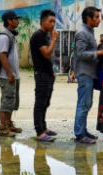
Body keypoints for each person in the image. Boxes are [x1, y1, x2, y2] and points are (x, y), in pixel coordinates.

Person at [73, 6, 103, 144]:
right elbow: (80, 54)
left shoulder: (89, 32)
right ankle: (79, 134)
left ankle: (83, 130)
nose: (99, 19)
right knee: (83, 104)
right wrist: (99, 53)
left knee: (87, 103)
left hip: (89, 73)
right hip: (84, 73)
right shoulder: (82, 33)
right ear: (88, 18)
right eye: (96, 17)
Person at [30, 9, 59, 142]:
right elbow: (46, 53)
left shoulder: (46, 36)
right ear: (43, 21)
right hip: (41, 74)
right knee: (40, 103)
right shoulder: (39, 36)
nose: (53, 24)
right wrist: (53, 39)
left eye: (54, 21)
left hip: (47, 73)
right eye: (50, 21)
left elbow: (47, 57)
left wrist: (52, 69)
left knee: (46, 102)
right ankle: (39, 131)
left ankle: (44, 127)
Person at [0, 10, 22, 137]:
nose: (17, 21)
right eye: (15, 19)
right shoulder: (4, 36)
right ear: (9, 21)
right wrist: (10, 73)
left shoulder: (11, 35)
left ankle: (8, 123)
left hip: (13, 75)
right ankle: (2, 127)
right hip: (7, 76)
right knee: (6, 101)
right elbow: (2, 57)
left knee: (12, 101)